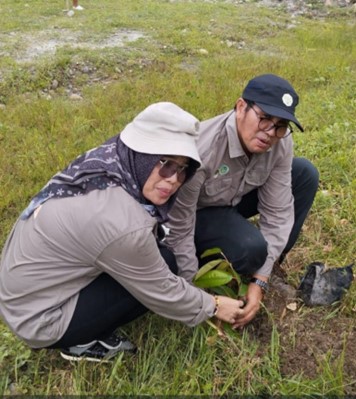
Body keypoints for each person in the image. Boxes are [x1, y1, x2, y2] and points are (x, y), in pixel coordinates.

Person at [0, 102, 245, 362]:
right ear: (142, 157)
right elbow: (162, 290)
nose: (173, 179)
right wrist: (214, 305)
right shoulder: (123, 224)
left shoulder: (108, 159)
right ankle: (79, 344)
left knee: (154, 255)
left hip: (23, 293)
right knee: (166, 264)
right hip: (41, 320)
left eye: (182, 169)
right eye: (165, 164)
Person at [166, 74, 319, 329]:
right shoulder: (200, 150)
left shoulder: (281, 142)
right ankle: (228, 260)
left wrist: (260, 280)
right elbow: (178, 226)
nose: (270, 133)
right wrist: (197, 294)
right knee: (251, 247)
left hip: (233, 200)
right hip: (198, 214)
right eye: (264, 119)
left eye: (280, 125)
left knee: (304, 174)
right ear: (240, 108)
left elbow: (278, 211)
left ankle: (266, 265)